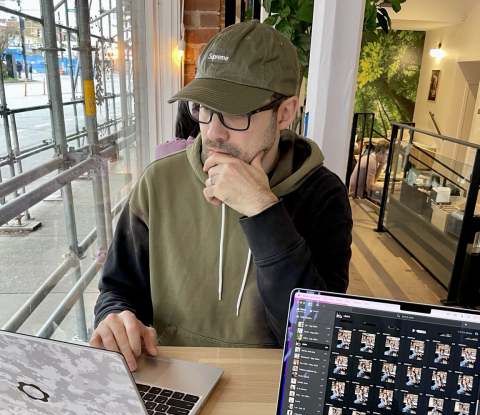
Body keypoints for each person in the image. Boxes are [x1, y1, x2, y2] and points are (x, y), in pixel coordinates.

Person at [90, 21, 353, 370]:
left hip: (267, 387)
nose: (213, 131)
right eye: (202, 107)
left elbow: (318, 337)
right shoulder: (160, 181)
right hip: (170, 372)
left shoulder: (322, 194)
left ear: (285, 113)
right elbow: (119, 288)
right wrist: (116, 318)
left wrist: (263, 211)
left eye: (236, 112)